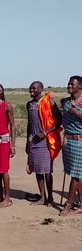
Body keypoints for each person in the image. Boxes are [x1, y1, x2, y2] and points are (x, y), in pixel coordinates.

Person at [26, 81, 62, 206]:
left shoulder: (49, 102)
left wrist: (45, 133)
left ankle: (50, 198)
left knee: (47, 171)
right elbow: (30, 123)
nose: (31, 90)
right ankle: (42, 197)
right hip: (33, 140)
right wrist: (27, 142)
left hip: (46, 140)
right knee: (37, 170)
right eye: (30, 88)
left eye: (34, 88)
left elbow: (59, 120)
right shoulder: (29, 104)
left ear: (41, 89)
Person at [60, 76, 82, 216]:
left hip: (79, 141)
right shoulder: (65, 102)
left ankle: (68, 205)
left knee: (75, 174)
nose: (69, 86)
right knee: (78, 175)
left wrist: (77, 113)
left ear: (80, 86)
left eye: (72, 84)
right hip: (67, 141)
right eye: (68, 83)